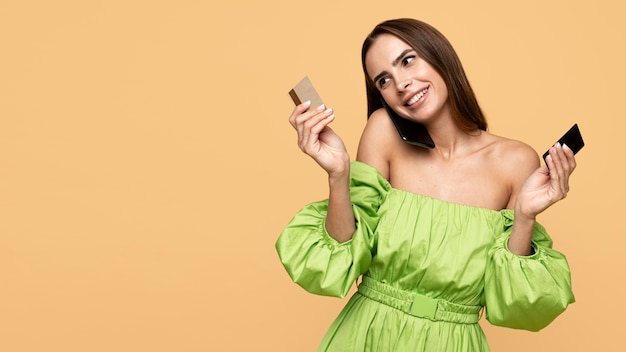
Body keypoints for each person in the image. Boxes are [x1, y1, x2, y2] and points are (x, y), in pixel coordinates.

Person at [276, 18, 576, 351]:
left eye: (407, 60)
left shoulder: (517, 161)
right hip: (367, 335)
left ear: (439, 56)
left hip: (454, 342)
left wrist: (524, 218)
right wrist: (338, 175)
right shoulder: (383, 133)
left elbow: (516, 304)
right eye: (384, 80)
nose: (401, 84)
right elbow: (338, 262)